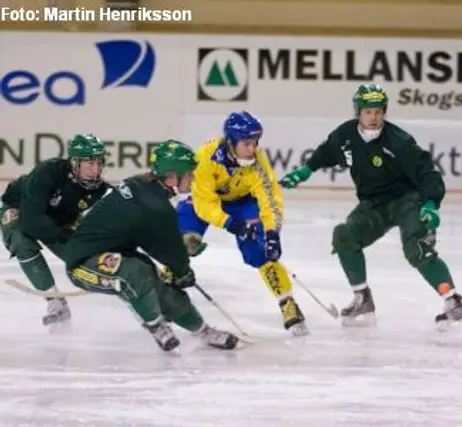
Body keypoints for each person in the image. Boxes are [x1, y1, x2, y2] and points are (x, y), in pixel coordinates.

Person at [279, 83, 462, 326]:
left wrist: (431, 203)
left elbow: (427, 172)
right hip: (374, 204)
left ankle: (454, 302)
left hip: (408, 201)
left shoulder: (399, 141)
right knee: (344, 236)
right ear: (358, 112)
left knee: (418, 249)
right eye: (368, 112)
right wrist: (306, 170)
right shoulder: (346, 135)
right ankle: (362, 298)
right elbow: (327, 151)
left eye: (379, 112)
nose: (373, 117)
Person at [62, 140, 239, 352]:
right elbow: (169, 250)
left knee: (161, 284)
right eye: (189, 174)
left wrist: (177, 255)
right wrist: (182, 271)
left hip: (117, 253)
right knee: (135, 273)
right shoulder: (155, 206)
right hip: (83, 264)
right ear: (172, 176)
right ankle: (156, 326)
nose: (193, 179)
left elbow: (155, 237)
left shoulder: (144, 187)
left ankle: (202, 331)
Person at [175, 111, 309, 337]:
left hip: (243, 201)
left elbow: (270, 199)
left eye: (255, 142)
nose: (252, 149)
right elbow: (205, 204)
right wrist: (231, 224)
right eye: (247, 143)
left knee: (261, 251)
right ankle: (167, 289)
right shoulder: (205, 158)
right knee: (183, 242)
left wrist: (272, 232)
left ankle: (287, 302)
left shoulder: (258, 161)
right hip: (203, 201)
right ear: (230, 142)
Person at [0, 134, 109, 328]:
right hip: (20, 208)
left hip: (57, 218)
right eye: (90, 164)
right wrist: (64, 235)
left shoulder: (100, 190)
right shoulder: (48, 172)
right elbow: (31, 222)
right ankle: (55, 302)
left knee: (81, 254)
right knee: (21, 240)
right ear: (75, 163)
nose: (96, 170)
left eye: (99, 164)